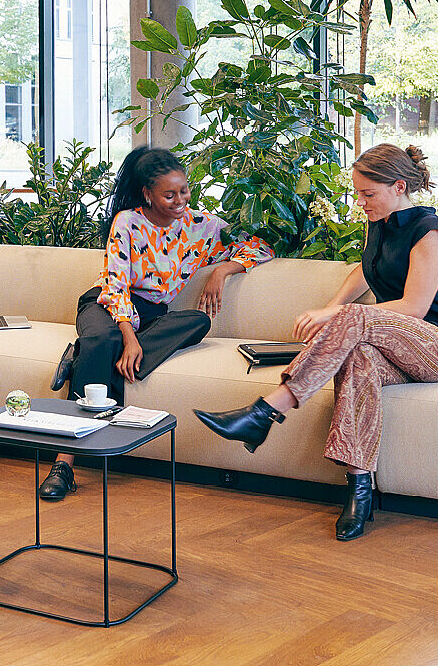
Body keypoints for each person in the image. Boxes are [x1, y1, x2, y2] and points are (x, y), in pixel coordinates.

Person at [195, 144, 438, 541]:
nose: (360, 202)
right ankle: (360, 492)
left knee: (356, 319)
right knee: (358, 356)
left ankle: (265, 412)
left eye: (368, 194)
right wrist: (333, 304)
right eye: (358, 193)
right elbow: (367, 269)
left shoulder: (428, 232)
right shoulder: (378, 225)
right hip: (406, 348)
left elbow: (413, 307)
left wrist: (335, 316)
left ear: (398, 186)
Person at [39, 146, 274, 502]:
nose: (180, 200)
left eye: (184, 190)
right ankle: (64, 463)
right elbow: (115, 287)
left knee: (197, 322)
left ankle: (84, 357)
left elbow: (262, 247)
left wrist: (224, 270)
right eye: (169, 194)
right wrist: (129, 338)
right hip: (107, 307)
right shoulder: (127, 223)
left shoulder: (202, 225)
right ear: (148, 194)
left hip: (153, 316)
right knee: (105, 340)